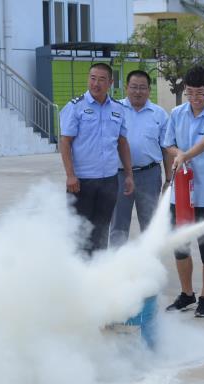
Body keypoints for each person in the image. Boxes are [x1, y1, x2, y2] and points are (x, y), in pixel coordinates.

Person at [163, 65, 204, 318]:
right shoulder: (177, 113)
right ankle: (187, 293)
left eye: (200, 93)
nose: (194, 98)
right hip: (178, 192)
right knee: (180, 244)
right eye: (190, 92)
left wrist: (184, 155)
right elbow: (168, 144)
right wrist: (178, 154)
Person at [59, 62, 134, 255]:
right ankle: (77, 271)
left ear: (110, 82)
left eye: (101, 79)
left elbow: (122, 143)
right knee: (79, 233)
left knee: (101, 230)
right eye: (92, 78)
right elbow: (65, 142)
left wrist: (129, 175)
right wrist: (70, 175)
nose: (96, 83)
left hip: (109, 180)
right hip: (81, 181)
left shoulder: (118, 108)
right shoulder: (75, 107)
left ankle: (98, 270)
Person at [108, 70, 172, 247]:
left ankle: (149, 260)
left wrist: (169, 179)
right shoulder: (114, 110)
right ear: (126, 88)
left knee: (149, 222)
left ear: (149, 90)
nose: (138, 91)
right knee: (118, 224)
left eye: (142, 87)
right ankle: (117, 261)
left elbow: (166, 149)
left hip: (149, 175)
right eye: (134, 87)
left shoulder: (159, 114)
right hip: (119, 175)